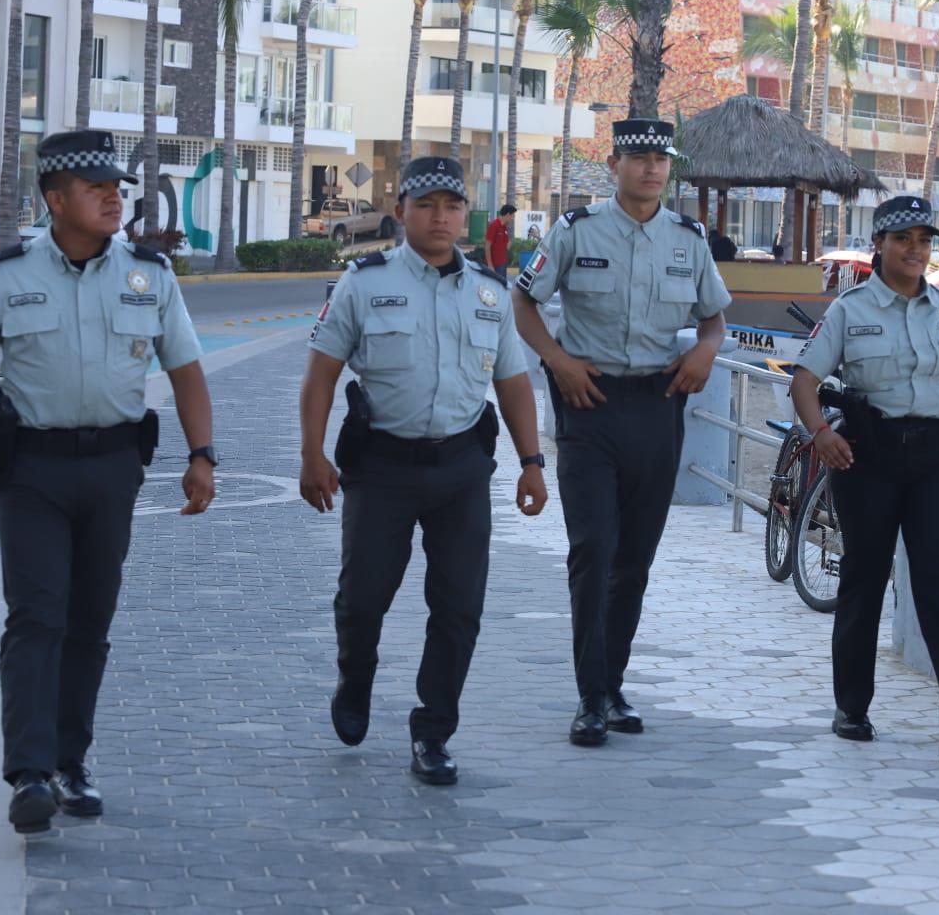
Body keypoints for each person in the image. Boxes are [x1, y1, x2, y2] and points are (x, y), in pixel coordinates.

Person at [0, 129, 217, 833]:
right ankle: (29, 773)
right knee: (36, 617)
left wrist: (203, 456)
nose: (112, 198)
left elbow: (186, 369)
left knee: (89, 623)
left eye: (117, 188)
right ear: (55, 198)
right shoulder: (8, 275)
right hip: (32, 471)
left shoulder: (150, 275)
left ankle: (71, 763)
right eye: (96, 188)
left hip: (114, 470)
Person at [300, 156, 548, 786]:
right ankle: (355, 680)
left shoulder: (491, 293)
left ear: (467, 214)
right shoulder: (362, 282)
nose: (441, 217)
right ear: (403, 211)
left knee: (459, 605)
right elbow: (322, 374)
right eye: (427, 205)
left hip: (461, 469)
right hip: (381, 467)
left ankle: (434, 730)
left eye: (452, 206)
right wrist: (312, 453)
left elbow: (513, 383)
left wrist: (531, 462)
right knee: (362, 601)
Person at [513, 118, 732, 747]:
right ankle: (589, 697)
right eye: (638, 158)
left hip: (658, 407)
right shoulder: (575, 231)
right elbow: (524, 302)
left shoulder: (689, 241)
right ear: (615, 164)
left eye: (660, 159)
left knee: (634, 558)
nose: (651, 169)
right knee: (593, 550)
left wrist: (706, 352)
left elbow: (714, 320)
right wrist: (556, 360)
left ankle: (612, 685)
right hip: (589, 406)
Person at [790, 194, 939, 761]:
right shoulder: (849, 310)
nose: (915, 250)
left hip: (937, 461)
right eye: (903, 239)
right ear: (878, 245)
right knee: (865, 578)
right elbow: (804, 381)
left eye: (924, 240)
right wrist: (820, 436)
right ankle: (851, 707)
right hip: (868, 460)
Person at [486, 203, 514, 275]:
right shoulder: (494, 225)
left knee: (502, 285)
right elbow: (487, 246)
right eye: (512, 216)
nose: (512, 219)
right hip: (495, 266)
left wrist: (510, 242)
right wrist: (490, 264)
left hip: (503, 264)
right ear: (508, 214)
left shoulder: (504, 227)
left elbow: (506, 247)